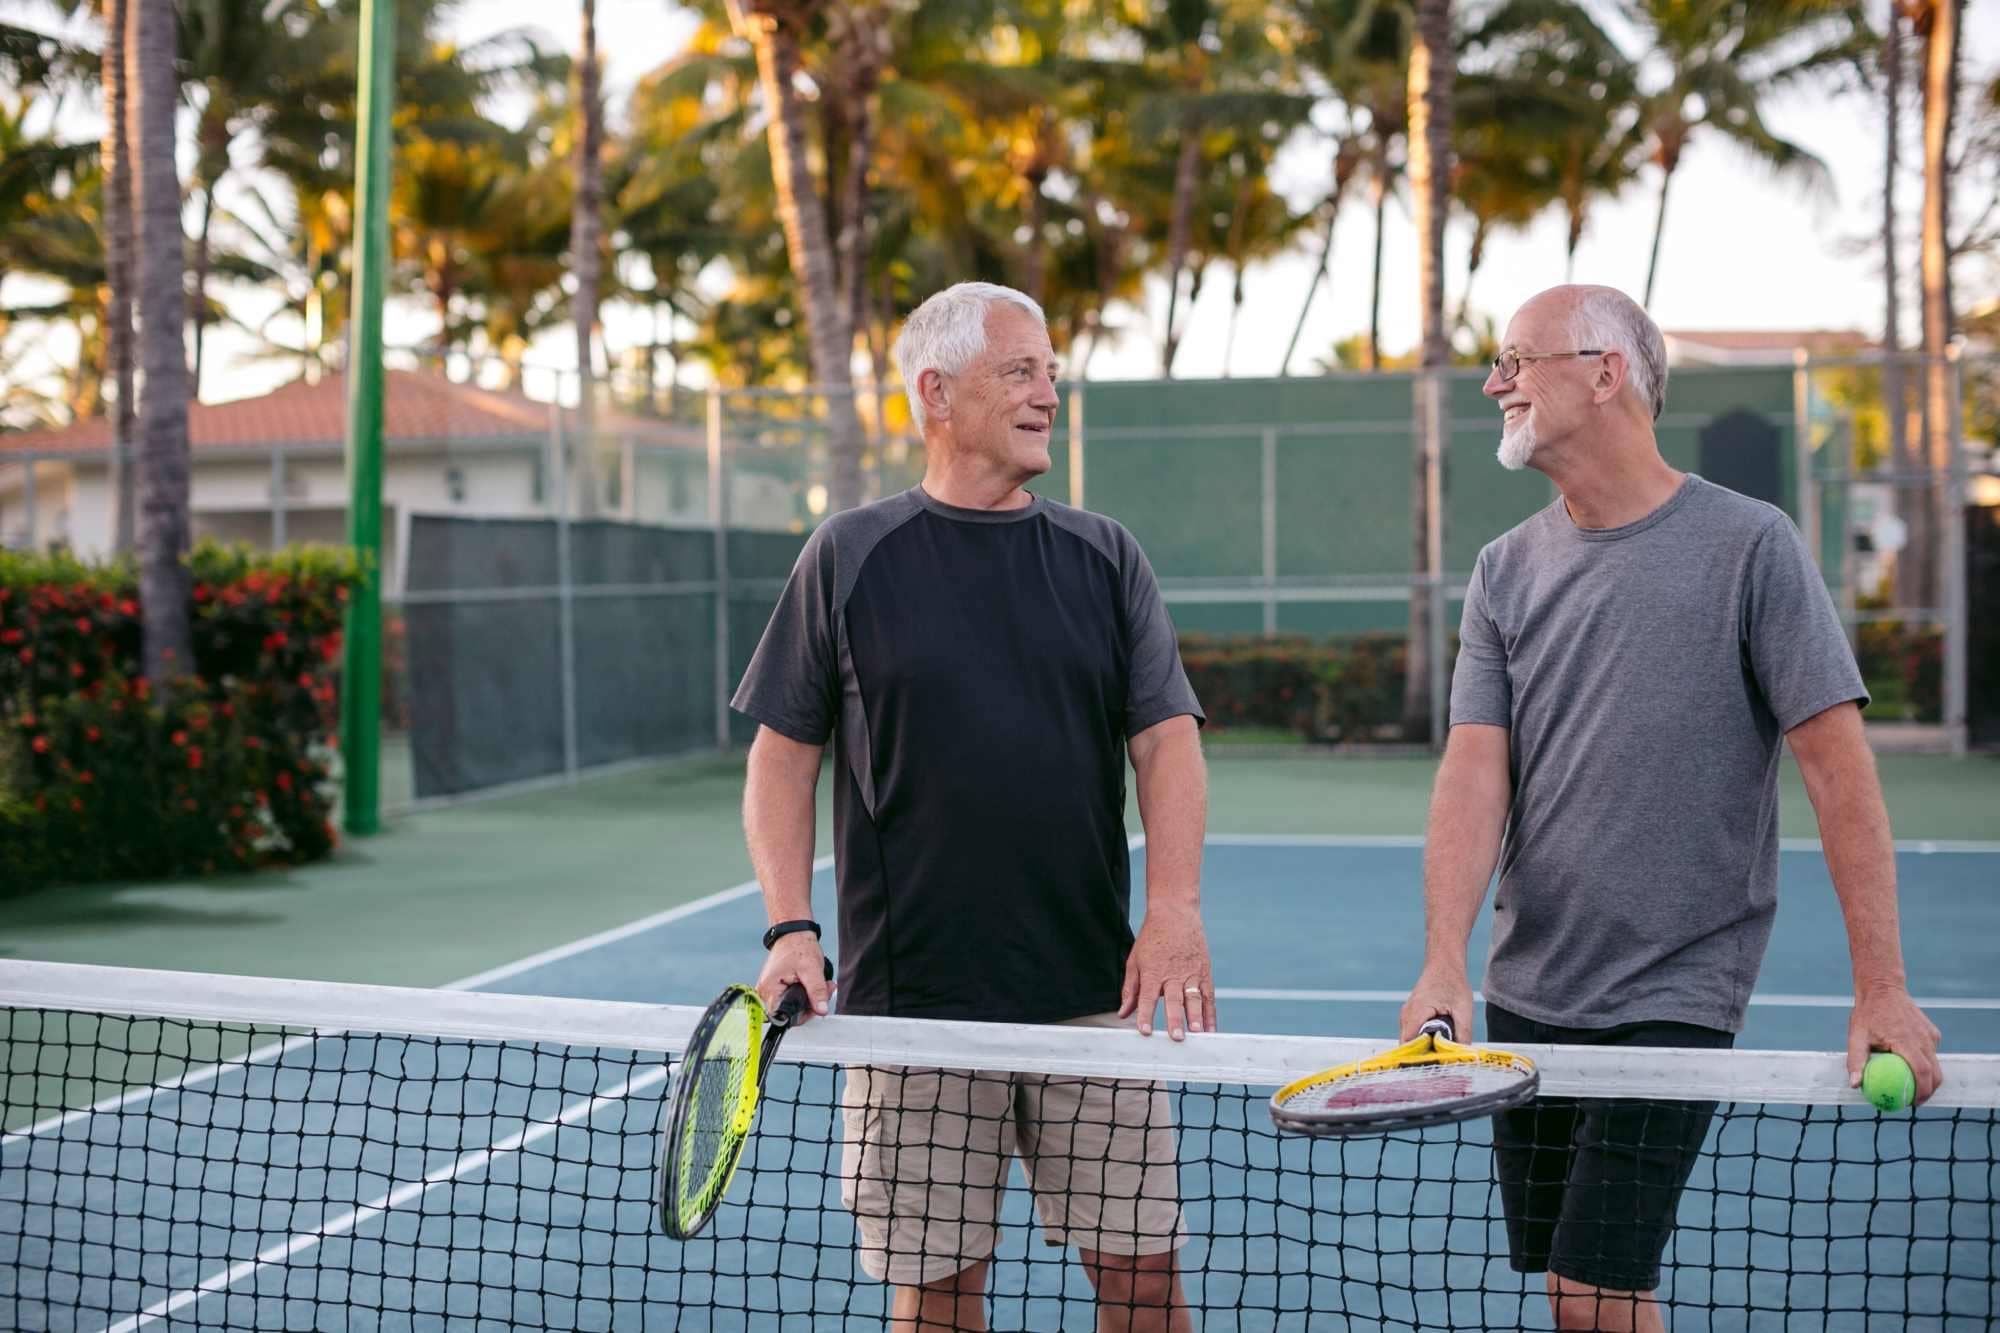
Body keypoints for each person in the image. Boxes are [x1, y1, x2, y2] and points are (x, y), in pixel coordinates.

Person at [1399, 284, 1944, 1332]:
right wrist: (1442, 960)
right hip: (1530, 988)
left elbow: (1836, 769)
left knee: (1589, 1291)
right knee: (1587, 1288)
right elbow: (1472, 774)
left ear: (1604, 373)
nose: (1493, 380)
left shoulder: (1750, 545)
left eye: (1518, 357)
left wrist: (1880, 986)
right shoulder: (1501, 569)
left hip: (1675, 988)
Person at [731, 281, 1213, 1333]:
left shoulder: (1104, 554)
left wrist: (1172, 907)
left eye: (1050, 371)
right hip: (915, 1009)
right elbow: (781, 757)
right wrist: (789, 926)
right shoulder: (848, 554)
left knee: (1143, 1284)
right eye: (1021, 371)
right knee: (939, 1297)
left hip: (1096, 997)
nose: (1049, 392)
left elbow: (1165, 739)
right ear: (934, 394)